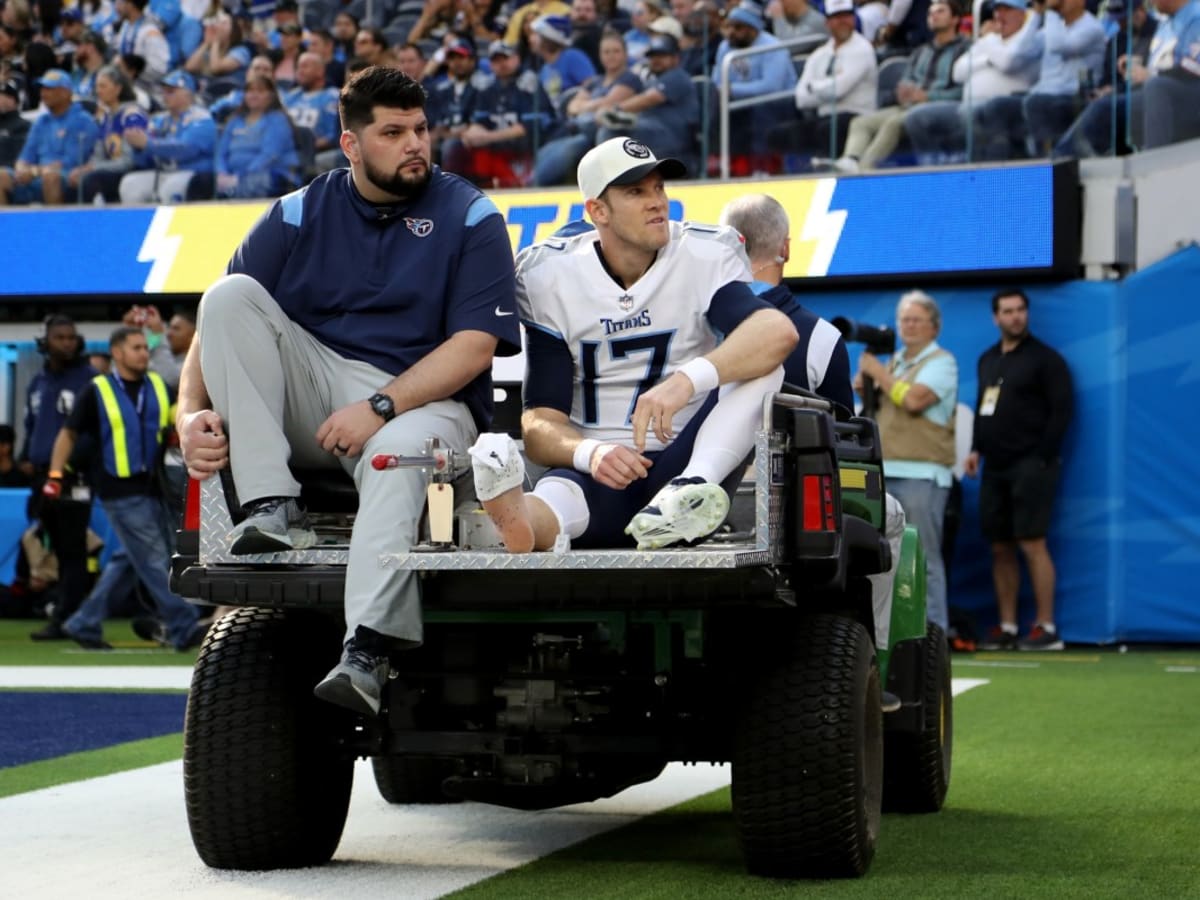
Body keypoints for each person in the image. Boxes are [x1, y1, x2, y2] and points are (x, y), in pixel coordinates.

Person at [176, 66, 520, 716]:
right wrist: (188, 411)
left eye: (420, 128)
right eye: (393, 132)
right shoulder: (302, 208)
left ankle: (368, 649)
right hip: (322, 389)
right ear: (352, 145)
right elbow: (213, 321)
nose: (415, 143)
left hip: (424, 401)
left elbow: (475, 346)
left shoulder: (470, 212)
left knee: (394, 453)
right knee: (229, 296)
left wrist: (380, 407)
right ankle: (270, 505)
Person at [468, 136, 797, 563]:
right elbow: (540, 424)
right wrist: (591, 453)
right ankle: (517, 517)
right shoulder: (552, 274)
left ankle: (687, 497)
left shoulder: (700, 252)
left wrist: (687, 379)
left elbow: (777, 332)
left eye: (659, 188)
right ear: (597, 211)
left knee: (762, 369)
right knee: (558, 500)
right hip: (600, 466)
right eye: (636, 191)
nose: (657, 202)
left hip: (687, 457)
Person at [48, 326, 206, 651]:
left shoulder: (159, 387)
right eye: (136, 348)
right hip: (117, 488)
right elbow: (68, 434)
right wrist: (55, 475)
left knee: (129, 559)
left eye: (145, 348)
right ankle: (184, 624)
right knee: (154, 558)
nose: (143, 354)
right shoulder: (98, 389)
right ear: (117, 353)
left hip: (155, 488)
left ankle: (84, 622)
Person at [966, 289, 1072, 651]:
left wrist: (1042, 456)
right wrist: (975, 449)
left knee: (1032, 543)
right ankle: (1008, 626)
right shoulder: (987, 360)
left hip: (1032, 465)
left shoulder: (1046, 360)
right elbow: (984, 407)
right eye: (1008, 311)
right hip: (994, 466)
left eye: (1020, 310)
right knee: (1000, 547)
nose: (1015, 317)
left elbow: (1062, 411)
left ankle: (1047, 627)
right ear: (996, 318)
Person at [854, 290, 956, 632]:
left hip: (922, 475)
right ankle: (894, 631)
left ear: (934, 327)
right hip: (886, 471)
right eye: (904, 320)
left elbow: (914, 400)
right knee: (886, 559)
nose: (909, 326)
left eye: (916, 320)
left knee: (923, 557)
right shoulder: (896, 362)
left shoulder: (942, 362)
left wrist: (878, 375)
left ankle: (934, 634)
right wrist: (865, 383)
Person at [820, 0, 967, 173]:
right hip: (909, 105)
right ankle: (850, 160)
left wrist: (929, 97)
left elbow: (964, 90)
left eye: (940, 11)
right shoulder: (922, 50)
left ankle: (864, 169)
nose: (933, 16)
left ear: (955, 19)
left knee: (893, 123)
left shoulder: (965, 49)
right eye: (930, 12)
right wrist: (904, 90)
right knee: (861, 122)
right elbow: (907, 77)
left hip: (940, 106)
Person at [21, 316, 99, 641]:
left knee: (72, 550)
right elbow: (32, 424)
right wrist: (26, 456)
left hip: (72, 475)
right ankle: (59, 609)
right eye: (60, 337)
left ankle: (68, 618)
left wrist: (66, 467)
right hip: (40, 475)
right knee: (51, 546)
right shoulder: (38, 382)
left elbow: (93, 433)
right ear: (45, 341)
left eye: (71, 337)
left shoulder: (90, 380)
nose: (67, 342)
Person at [902, 0, 1039, 166]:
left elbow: (1007, 62)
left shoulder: (1026, 40)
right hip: (965, 104)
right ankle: (935, 172)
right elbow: (958, 71)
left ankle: (979, 174)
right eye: (997, 10)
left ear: (1022, 14)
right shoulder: (990, 41)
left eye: (1007, 9)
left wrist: (988, 45)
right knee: (916, 117)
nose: (999, 15)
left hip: (1005, 106)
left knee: (973, 112)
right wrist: (989, 60)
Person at [765, 0, 878, 172]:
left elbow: (838, 90)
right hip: (824, 115)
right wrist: (826, 87)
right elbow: (801, 99)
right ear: (827, 22)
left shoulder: (863, 48)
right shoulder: (820, 54)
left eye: (847, 16)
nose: (842, 22)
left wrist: (814, 87)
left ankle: (832, 173)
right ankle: (780, 176)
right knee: (777, 133)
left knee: (829, 128)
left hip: (857, 116)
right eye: (836, 17)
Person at [532, 28, 641, 185]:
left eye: (616, 51)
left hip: (597, 134)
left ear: (625, 54)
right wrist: (593, 105)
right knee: (544, 152)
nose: (611, 56)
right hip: (575, 129)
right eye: (606, 52)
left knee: (565, 152)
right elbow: (572, 107)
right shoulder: (595, 81)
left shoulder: (630, 79)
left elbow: (608, 103)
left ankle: (538, 189)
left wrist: (587, 105)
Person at [0, 69, 99, 206]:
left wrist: (34, 172)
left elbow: (71, 161)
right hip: (35, 176)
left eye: (49, 89)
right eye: (42, 89)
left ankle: (56, 226)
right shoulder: (41, 121)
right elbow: (25, 157)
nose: (43, 93)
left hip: (66, 178)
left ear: (65, 93)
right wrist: (22, 170)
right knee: (2, 176)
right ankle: (6, 226)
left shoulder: (83, 120)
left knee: (51, 178)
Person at [711, 1, 796, 161]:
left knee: (759, 111)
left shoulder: (772, 46)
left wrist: (733, 90)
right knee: (715, 101)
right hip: (740, 101)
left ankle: (762, 166)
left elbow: (772, 87)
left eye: (738, 28)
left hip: (779, 102)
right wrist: (727, 91)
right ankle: (719, 161)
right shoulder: (726, 46)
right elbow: (717, 80)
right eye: (729, 26)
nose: (731, 32)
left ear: (752, 28)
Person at [594, 33, 699, 163]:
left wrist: (615, 110)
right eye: (652, 56)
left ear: (675, 58)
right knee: (600, 127)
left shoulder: (678, 76)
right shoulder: (652, 80)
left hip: (672, 139)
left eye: (662, 56)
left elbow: (650, 98)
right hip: (651, 132)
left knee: (610, 132)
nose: (656, 60)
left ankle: (609, 177)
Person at [119, 69, 217, 203]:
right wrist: (138, 147)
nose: (165, 95)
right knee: (130, 184)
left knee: (170, 188)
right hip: (165, 173)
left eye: (171, 91)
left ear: (187, 94)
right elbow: (144, 159)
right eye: (164, 91)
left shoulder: (201, 118)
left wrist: (148, 144)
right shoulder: (159, 120)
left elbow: (187, 148)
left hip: (193, 172)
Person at [67, 64, 150, 203]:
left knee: (91, 181)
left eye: (103, 86)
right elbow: (98, 154)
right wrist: (84, 168)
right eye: (97, 86)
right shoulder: (106, 118)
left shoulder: (132, 116)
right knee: (72, 183)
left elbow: (129, 161)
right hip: (113, 169)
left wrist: (92, 168)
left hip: (134, 171)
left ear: (117, 89)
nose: (98, 91)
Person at [213, 73, 299, 198]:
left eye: (260, 91)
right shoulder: (235, 120)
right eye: (250, 91)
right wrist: (222, 173)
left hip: (273, 174)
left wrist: (240, 177)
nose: (253, 95)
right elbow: (221, 152)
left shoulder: (278, 120)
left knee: (249, 184)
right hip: (233, 177)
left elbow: (270, 155)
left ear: (271, 95)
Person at [0, 76, 29, 169]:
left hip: (8, 173)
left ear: (12, 100)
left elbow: (21, 158)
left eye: (1, 96)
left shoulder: (22, 125)